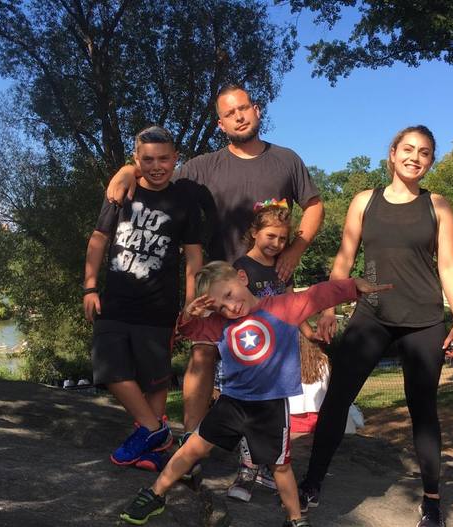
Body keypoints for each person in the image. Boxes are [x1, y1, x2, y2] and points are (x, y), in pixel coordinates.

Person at [106, 84, 324, 471]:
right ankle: (190, 444)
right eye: (229, 113)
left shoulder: (286, 160)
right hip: (219, 282)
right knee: (202, 353)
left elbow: (314, 206)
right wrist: (127, 169)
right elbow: (158, 170)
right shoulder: (205, 166)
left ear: (256, 110)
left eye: (244, 108)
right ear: (220, 124)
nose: (239, 116)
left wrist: (295, 250)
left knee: (266, 364)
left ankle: (264, 457)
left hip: (267, 285)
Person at [119, 261, 392, 527]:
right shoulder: (219, 324)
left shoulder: (282, 307)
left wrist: (352, 286)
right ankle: (155, 493)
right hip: (232, 404)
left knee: (280, 466)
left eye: (229, 294)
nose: (230, 307)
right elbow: (189, 330)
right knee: (192, 448)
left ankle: (295, 520)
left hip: (270, 408)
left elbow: (318, 295)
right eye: (220, 306)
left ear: (241, 277)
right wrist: (188, 314)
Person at [298, 125, 453, 527]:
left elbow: (448, 263)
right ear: (392, 154)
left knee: (423, 409)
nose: (415, 157)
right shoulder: (364, 201)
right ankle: (312, 483)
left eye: (424, 152)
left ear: (431, 161)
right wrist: (329, 308)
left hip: (424, 319)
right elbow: (345, 257)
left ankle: (432, 501)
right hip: (371, 316)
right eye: (407, 149)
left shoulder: (438, 206)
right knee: (337, 399)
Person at [83, 125, 203, 471]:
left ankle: (150, 449)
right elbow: (98, 239)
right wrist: (89, 286)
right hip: (115, 301)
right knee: (109, 368)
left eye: (163, 159)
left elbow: (194, 255)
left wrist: (191, 301)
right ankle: (155, 430)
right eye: (147, 159)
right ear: (136, 159)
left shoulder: (184, 202)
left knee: (155, 379)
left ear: (175, 158)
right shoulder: (122, 192)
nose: (156, 166)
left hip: (159, 306)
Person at [226, 200, 314, 502]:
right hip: (251, 358)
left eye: (282, 239)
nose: (276, 244)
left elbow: (293, 305)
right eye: (270, 236)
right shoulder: (241, 269)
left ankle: (267, 468)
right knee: (249, 415)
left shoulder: (283, 268)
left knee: (275, 418)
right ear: (254, 233)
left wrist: (308, 332)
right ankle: (246, 471)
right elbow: (234, 309)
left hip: (279, 360)